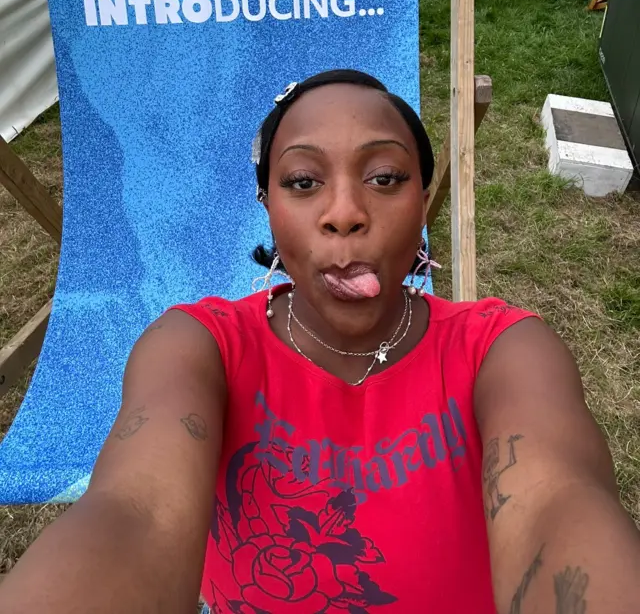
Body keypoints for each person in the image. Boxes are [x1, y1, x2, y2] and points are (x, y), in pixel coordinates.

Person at [1, 69, 638, 614]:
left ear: (422, 202)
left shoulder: (505, 352)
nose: (343, 212)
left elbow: (558, 504)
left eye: (385, 177)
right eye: (303, 182)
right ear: (266, 204)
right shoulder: (197, 348)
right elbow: (134, 514)